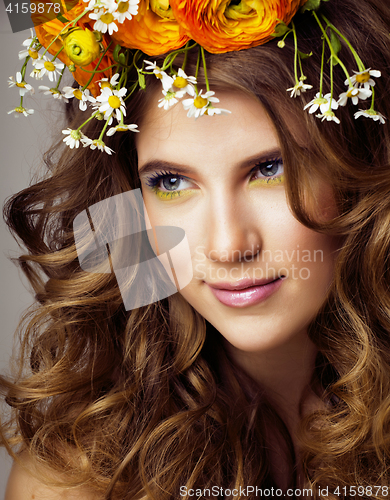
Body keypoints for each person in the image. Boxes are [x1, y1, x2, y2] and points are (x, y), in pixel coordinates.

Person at [2, 0, 390, 498]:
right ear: (132, 206)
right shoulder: (77, 477)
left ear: (360, 168)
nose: (227, 247)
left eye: (270, 170)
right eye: (170, 181)